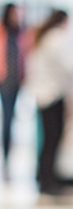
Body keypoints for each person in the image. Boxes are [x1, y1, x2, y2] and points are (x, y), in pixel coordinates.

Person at [25, 9, 73, 195]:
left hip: (42, 95)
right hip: (52, 95)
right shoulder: (56, 38)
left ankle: (44, 177)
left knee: (47, 139)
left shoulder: (44, 37)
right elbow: (69, 65)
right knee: (53, 140)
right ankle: (48, 181)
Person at [0, 3, 25, 180]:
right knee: (7, 120)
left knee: (10, 120)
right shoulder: (2, 31)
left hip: (15, 82)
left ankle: (7, 159)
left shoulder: (20, 33)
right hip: (3, 80)